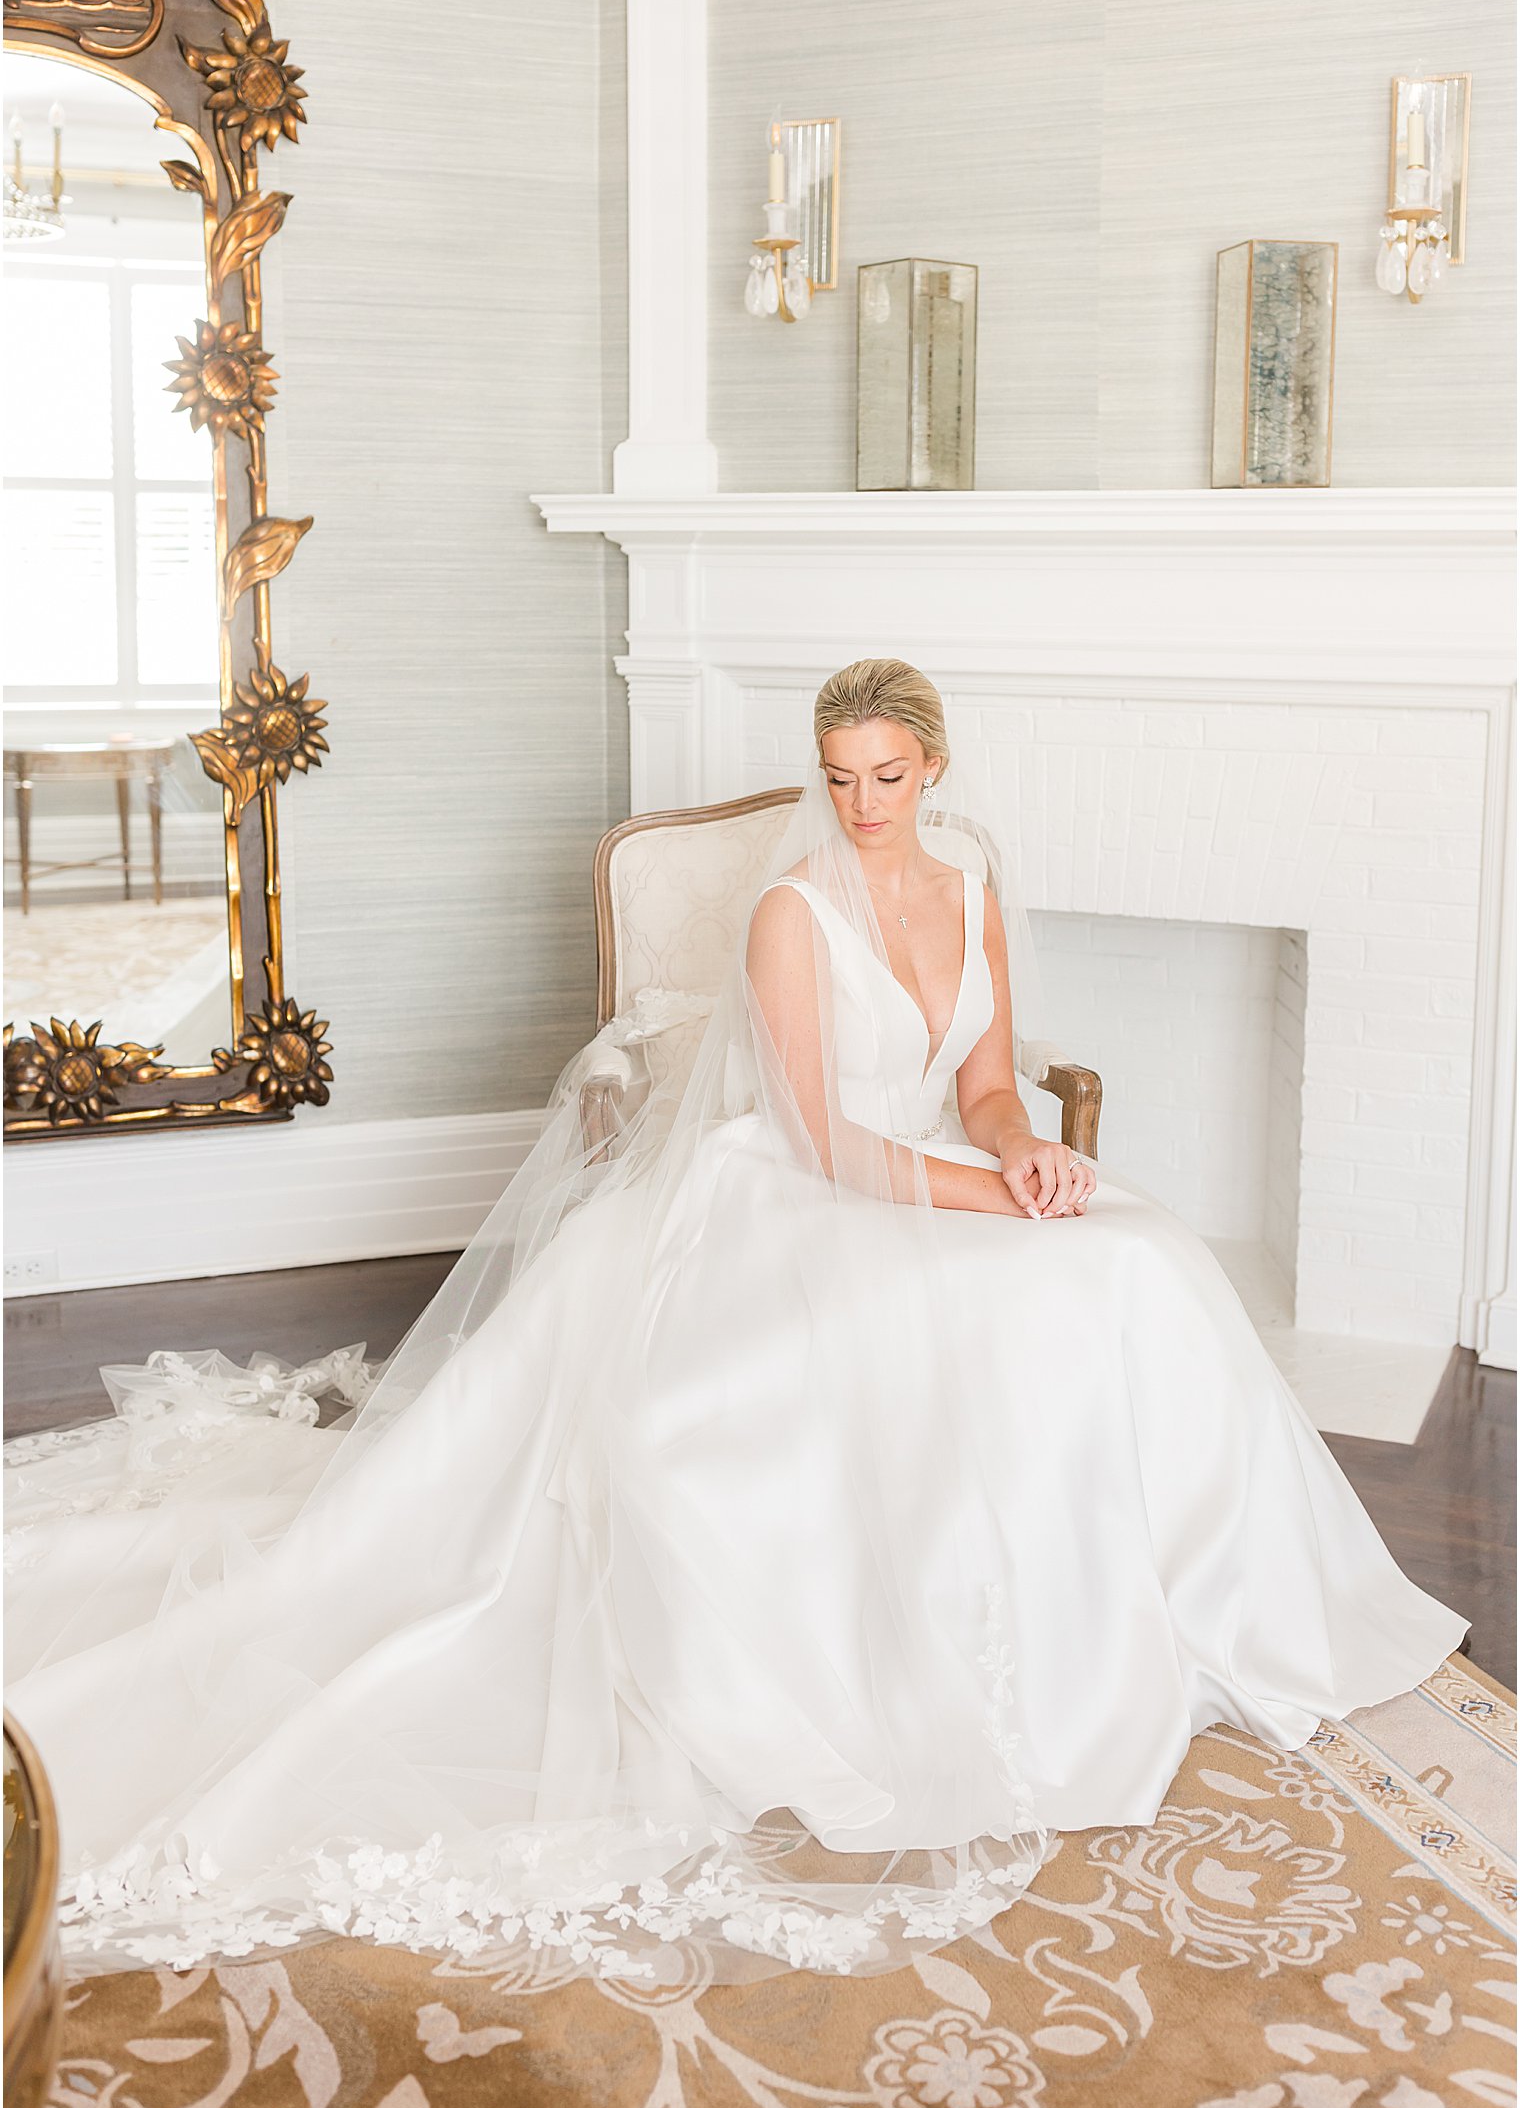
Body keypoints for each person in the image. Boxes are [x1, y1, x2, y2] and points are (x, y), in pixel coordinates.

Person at [4, 658, 1467, 1988]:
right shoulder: (792, 910)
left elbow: (986, 1085)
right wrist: (983, 1203)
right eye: (839, 777)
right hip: (805, 1192)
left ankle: (1193, 1599)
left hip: (944, 1166)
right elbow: (829, 1139)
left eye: (887, 776)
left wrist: (1021, 1151)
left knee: (1146, 1259)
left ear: (935, 769)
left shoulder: (969, 889)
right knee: (1035, 1284)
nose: (861, 802)